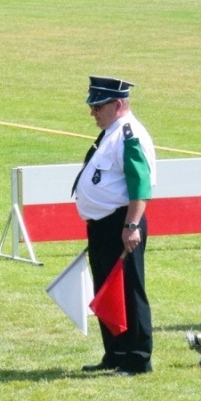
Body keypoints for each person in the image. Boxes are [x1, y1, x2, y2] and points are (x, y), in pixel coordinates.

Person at [74, 76, 156, 375]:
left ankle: (138, 358)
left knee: (130, 291)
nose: (92, 112)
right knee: (106, 291)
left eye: (98, 107)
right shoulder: (112, 131)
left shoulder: (129, 134)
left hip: (121, 223)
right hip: (102, 225)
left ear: (118, 104)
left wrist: (132, 225)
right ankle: (115, 352)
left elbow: (140, 185)